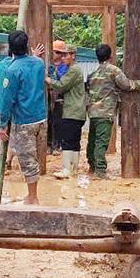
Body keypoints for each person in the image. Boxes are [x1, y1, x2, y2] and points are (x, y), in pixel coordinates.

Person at [0, 30, 47, 204]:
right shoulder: (39, 63)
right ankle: (32, 195)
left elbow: (7, 100)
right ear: (27, 45)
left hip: (24, 120)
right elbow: (32, 67)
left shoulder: (11, 70)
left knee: (27, 159)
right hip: (41, 118)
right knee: (34, 157)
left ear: (10, 47)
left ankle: (33, 197)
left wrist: (3, 124)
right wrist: (34, 56)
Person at [86, 44, 140, 179]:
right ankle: (100, 172)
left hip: (93, 113)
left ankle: (92, 167)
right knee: (101, 142)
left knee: (92, 141)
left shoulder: (92, 74)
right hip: (106, 113)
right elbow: (126, 85)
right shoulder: (113, 71)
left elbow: (87, 89)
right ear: (110, 56)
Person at [45, 40, 85, 179]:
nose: (62, 58)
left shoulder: (73, 70)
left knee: (67, 141)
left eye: (65, 55)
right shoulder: (75, 69)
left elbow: (61, 85)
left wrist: (48, 80)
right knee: (74, 142)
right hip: (77, 111)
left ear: (73, 55)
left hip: (72, 111)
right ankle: (73, 170)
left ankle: (67, 169)